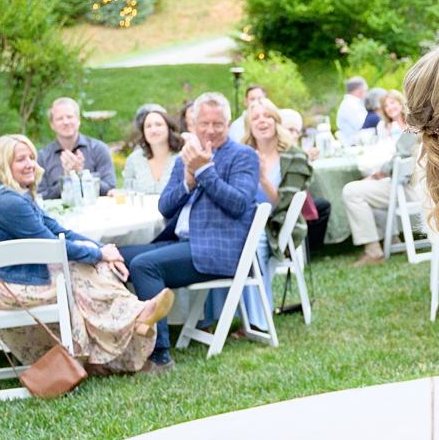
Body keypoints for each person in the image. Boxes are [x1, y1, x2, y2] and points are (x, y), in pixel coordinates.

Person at [0, 135, 166, 375]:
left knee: (91, 267)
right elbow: (52, 245)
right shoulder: (8, 201)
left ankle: (122, 330)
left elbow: (60, 231)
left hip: (18, 274)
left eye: (32, 157)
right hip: (2, 285)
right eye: (20, 160)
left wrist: (105, 251)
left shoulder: (16, 194)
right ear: (3, 164)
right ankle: (132, 318)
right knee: (81, 271)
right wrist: (98, 254)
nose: (30, 163)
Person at [115, 94, 266, 370]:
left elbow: (239, 203)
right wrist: (187, 179)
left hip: (218, 249)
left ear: (229, 123)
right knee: (114, 258)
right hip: (182, 241)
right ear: (194, 123)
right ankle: (115, 343)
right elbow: (164, 207)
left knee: (145, 265)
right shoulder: (185, 157)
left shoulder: (243, 156)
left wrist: (204, 171)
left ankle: (159, 355)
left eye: (218, 124)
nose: (210, 130)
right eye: (204, 123)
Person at [238, 100, 312, 325]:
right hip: (243, 220)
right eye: (256, 117)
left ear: (276, 121)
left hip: (277, 225)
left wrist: (261, 177)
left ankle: (258, 321)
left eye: (267, 116)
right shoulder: (242, 154)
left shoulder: (294, 156)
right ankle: (213, 316)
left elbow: (286, 204)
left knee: (253, 241)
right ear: (249, 126)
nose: (262, 121)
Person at [340, 128, 419, 265]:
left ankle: (373, 252)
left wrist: (375, 176)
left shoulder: (417, 125)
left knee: (352, 191)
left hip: (416, 190)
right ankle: (393, 240)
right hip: (435, 189)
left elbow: (398, 160)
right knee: (373, 193)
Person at [37, 97, 116, 200]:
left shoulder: (98, 149)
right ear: (52, 124)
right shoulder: (43, 157)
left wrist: (82, 174)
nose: (66, 122)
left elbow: (110, 189)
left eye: (70, 117)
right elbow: (39, 196)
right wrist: (67, 179)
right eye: (59, 119)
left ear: (78, 120)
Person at [119, 104, 183, 195]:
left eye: (158, 125)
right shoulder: (134, 160)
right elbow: (127, 191)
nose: (153, 130)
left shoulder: (182, 157)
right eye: (148, 126)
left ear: (169, 128)